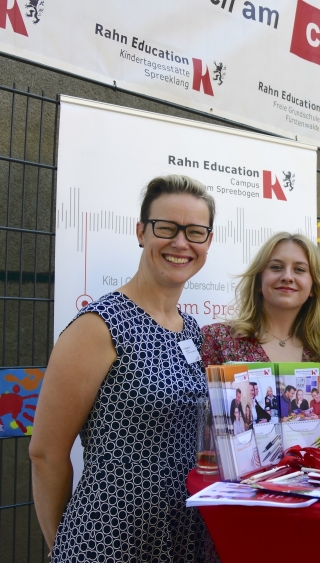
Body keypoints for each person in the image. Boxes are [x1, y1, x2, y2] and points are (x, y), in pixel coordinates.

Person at [30, 175, 215, 561]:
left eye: (195, 232)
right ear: (141, 232)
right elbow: (46, 454)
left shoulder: (190, 330)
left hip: (183, 536)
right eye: (166, 227)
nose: (181, 243)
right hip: (109, 540)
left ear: (208, 242)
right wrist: (64, 548)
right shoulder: (99, 326)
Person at [200, 232, 320, 417]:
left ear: (313, 287)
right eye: (276, 267)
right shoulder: (217, 339)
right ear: (259, 281)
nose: (287, 276)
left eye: (299, 269)